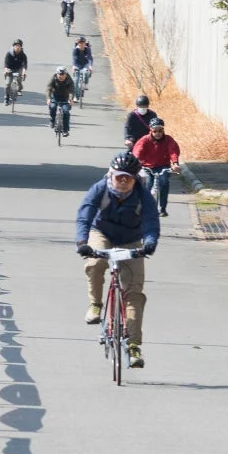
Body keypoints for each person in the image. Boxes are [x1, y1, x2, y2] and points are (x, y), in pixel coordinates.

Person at [75, 153, 161, 368]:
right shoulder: (100, 189)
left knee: (134, 293)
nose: (123, 182)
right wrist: (82, 242)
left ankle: (133, 345)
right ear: (111, 175)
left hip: (131, 240)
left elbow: (151, 222)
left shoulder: (143, 196)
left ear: (135, 179)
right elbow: (85, 214)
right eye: (119, 177)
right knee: (95, 263)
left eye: (128, 178)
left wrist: (149, 243)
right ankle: (95, 303)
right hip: (101, 233)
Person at [130, 116, 181, 216]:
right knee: (148, 182)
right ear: (151, 130)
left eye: (160, 131)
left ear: (163, 130)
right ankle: (145, 206)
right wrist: (136, 162)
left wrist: (175, 163)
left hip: (163, 166)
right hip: (147, 166)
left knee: (164, 182)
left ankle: (163, 208)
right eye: (155, 131)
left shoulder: (168, 140)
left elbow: (173, 151)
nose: (157, 133)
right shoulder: (145, 140)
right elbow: (138, 151)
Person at [46, 66, 76, 135]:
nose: (61, 76)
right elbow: (48, 88)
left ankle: (65, 130)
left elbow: (71, 90)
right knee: (53, 107)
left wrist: (70, 99)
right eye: (59, 75)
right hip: (55, 97)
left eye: (63, 75)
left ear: (65, 74)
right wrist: (48, 98)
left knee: (66, 112)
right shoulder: (53, 78)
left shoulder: (69, 80)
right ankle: (52, 120)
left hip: (65, 97)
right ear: (57, 74)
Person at [69, 35, 94, 100]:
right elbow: (74, 59)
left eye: (83, 43)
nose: (82, 44)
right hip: (77, 65)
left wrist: (90, 66)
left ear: (85, 43)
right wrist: (74, 67)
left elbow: (90, 58)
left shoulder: (87, 49)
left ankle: (86, 83)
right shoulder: (75, 49)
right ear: (78, 43)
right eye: (80, 43)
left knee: (86, 72)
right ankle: (76, 96)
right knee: (76, 81)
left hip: (85, 64)